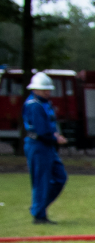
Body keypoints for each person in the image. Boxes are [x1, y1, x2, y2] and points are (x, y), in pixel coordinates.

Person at [23, 72, 68, 225]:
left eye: (48, 89)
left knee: (60, 176)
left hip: (47, 145)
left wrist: (55, 135)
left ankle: (39, 208)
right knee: (41, 180)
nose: (47, 92)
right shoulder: (34, 105)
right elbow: (41, 130)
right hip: (38, 145)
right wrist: (56, 138)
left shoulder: (44, 103)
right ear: (35, 89)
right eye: (44, 90)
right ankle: (39, 214)